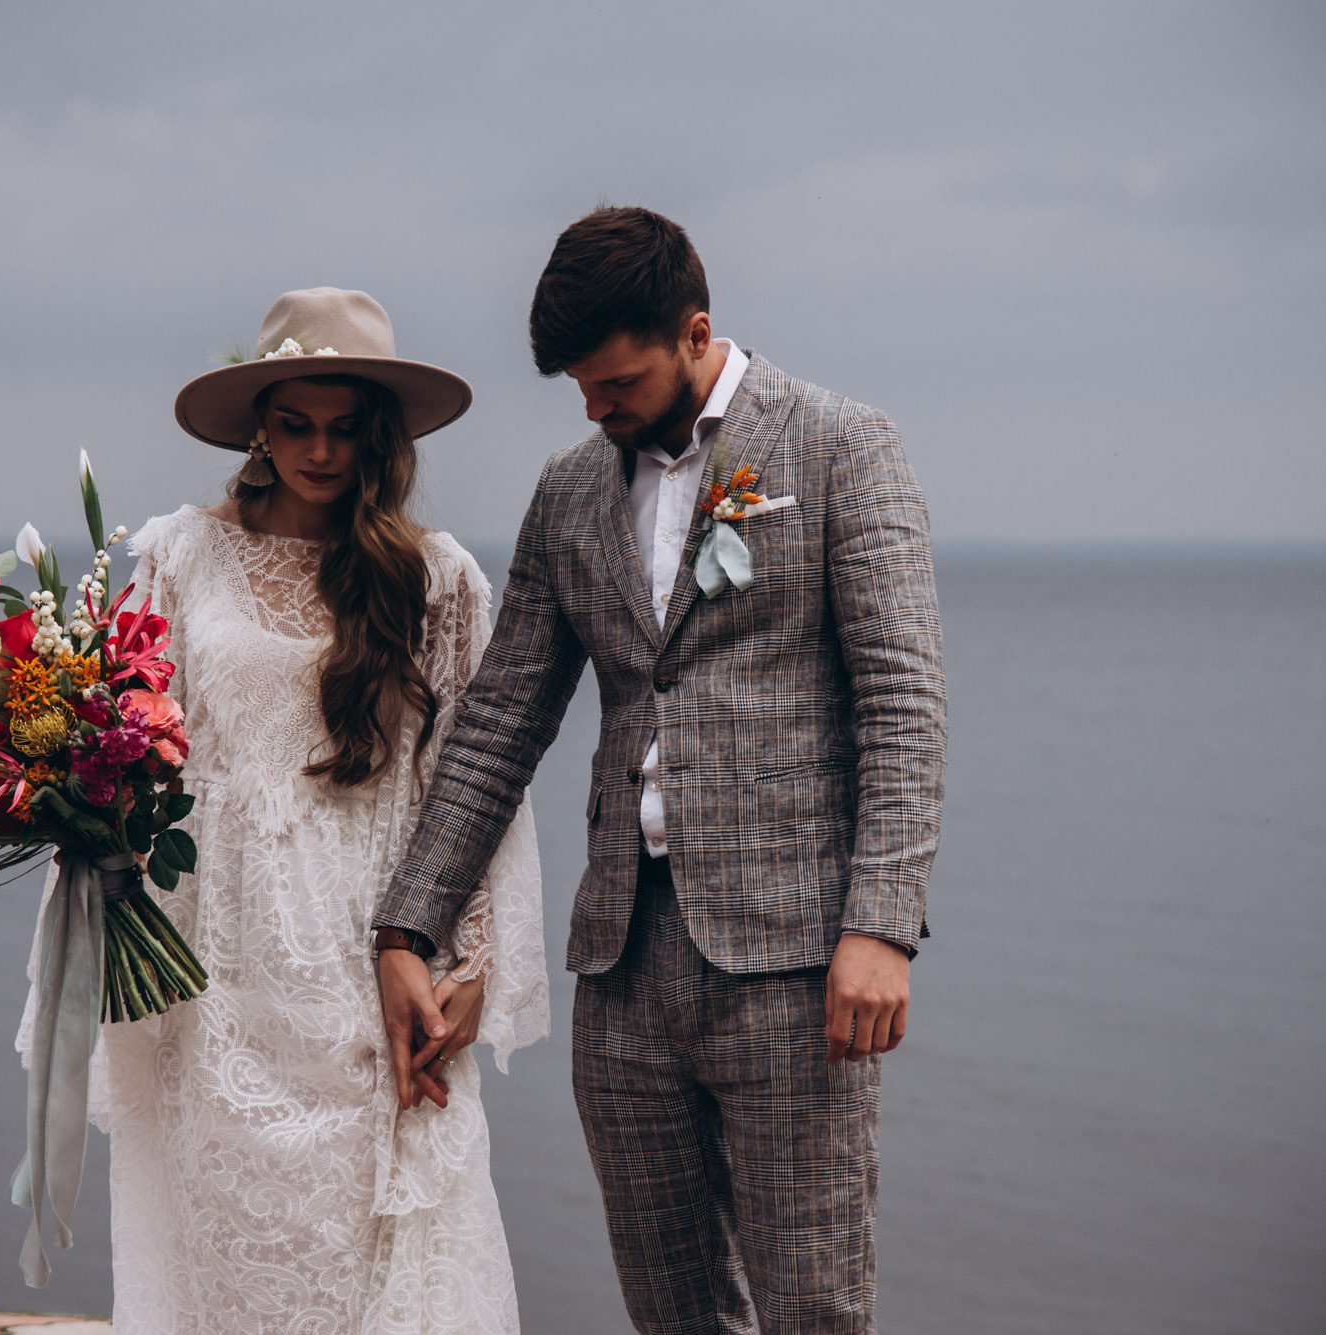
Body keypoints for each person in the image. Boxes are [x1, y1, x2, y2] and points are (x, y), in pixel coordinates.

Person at [372, 209, 947, 1333]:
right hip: (622, 971)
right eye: (580, 389)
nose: (596, 409)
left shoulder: (839, 446)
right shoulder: (569, 490)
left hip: (794, 967)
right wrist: (408, 928)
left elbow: (902, 704)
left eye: (617, 382)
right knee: (670, 1313)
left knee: (812, 1308)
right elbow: (498, 722)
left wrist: (879, 925)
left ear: (694, 333)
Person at [20, 287, 548, 1334]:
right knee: (222, 1232)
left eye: (344, 429)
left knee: (384, 1229)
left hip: (376, 945)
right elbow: (128, 739)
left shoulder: (436, 578)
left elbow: (474, 778)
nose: (319, 451)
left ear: (379, 436)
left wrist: (475, 953)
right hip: (216, 950)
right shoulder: (180, 555)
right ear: (258, 429)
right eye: (295, 425)